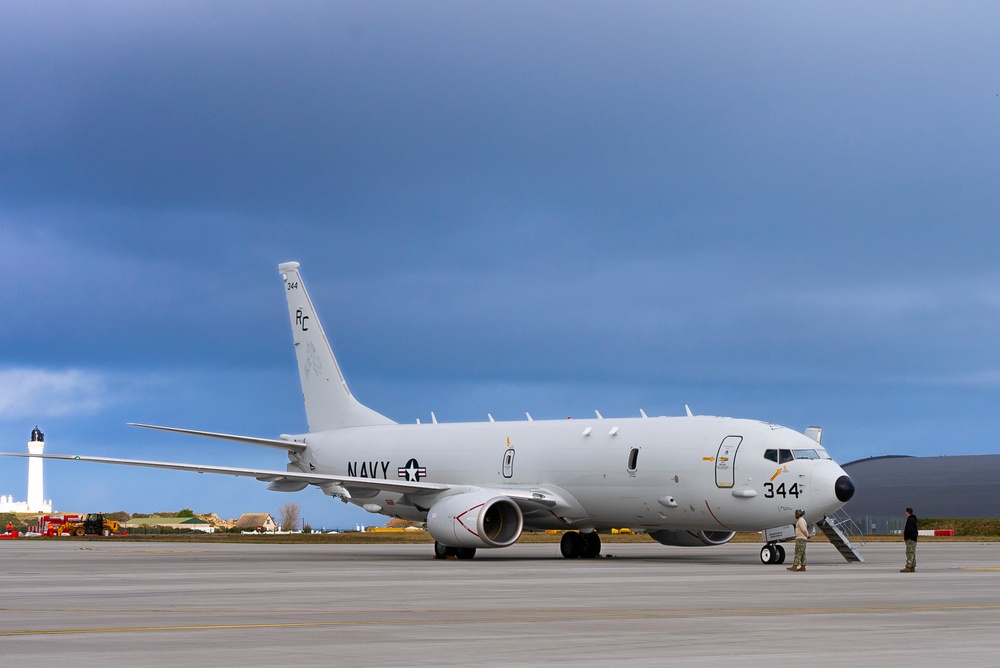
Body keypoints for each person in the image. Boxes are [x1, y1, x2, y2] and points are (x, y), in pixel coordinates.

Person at [901, 508, 918, 572]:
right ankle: (912, 566)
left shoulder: (910, 520)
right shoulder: (913, 519)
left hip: (910, 539)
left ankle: (908, 566)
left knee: (909, 552)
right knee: (912, 553)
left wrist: (906, 536)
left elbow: (909, 530)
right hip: (913, 538)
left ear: (907, 512)